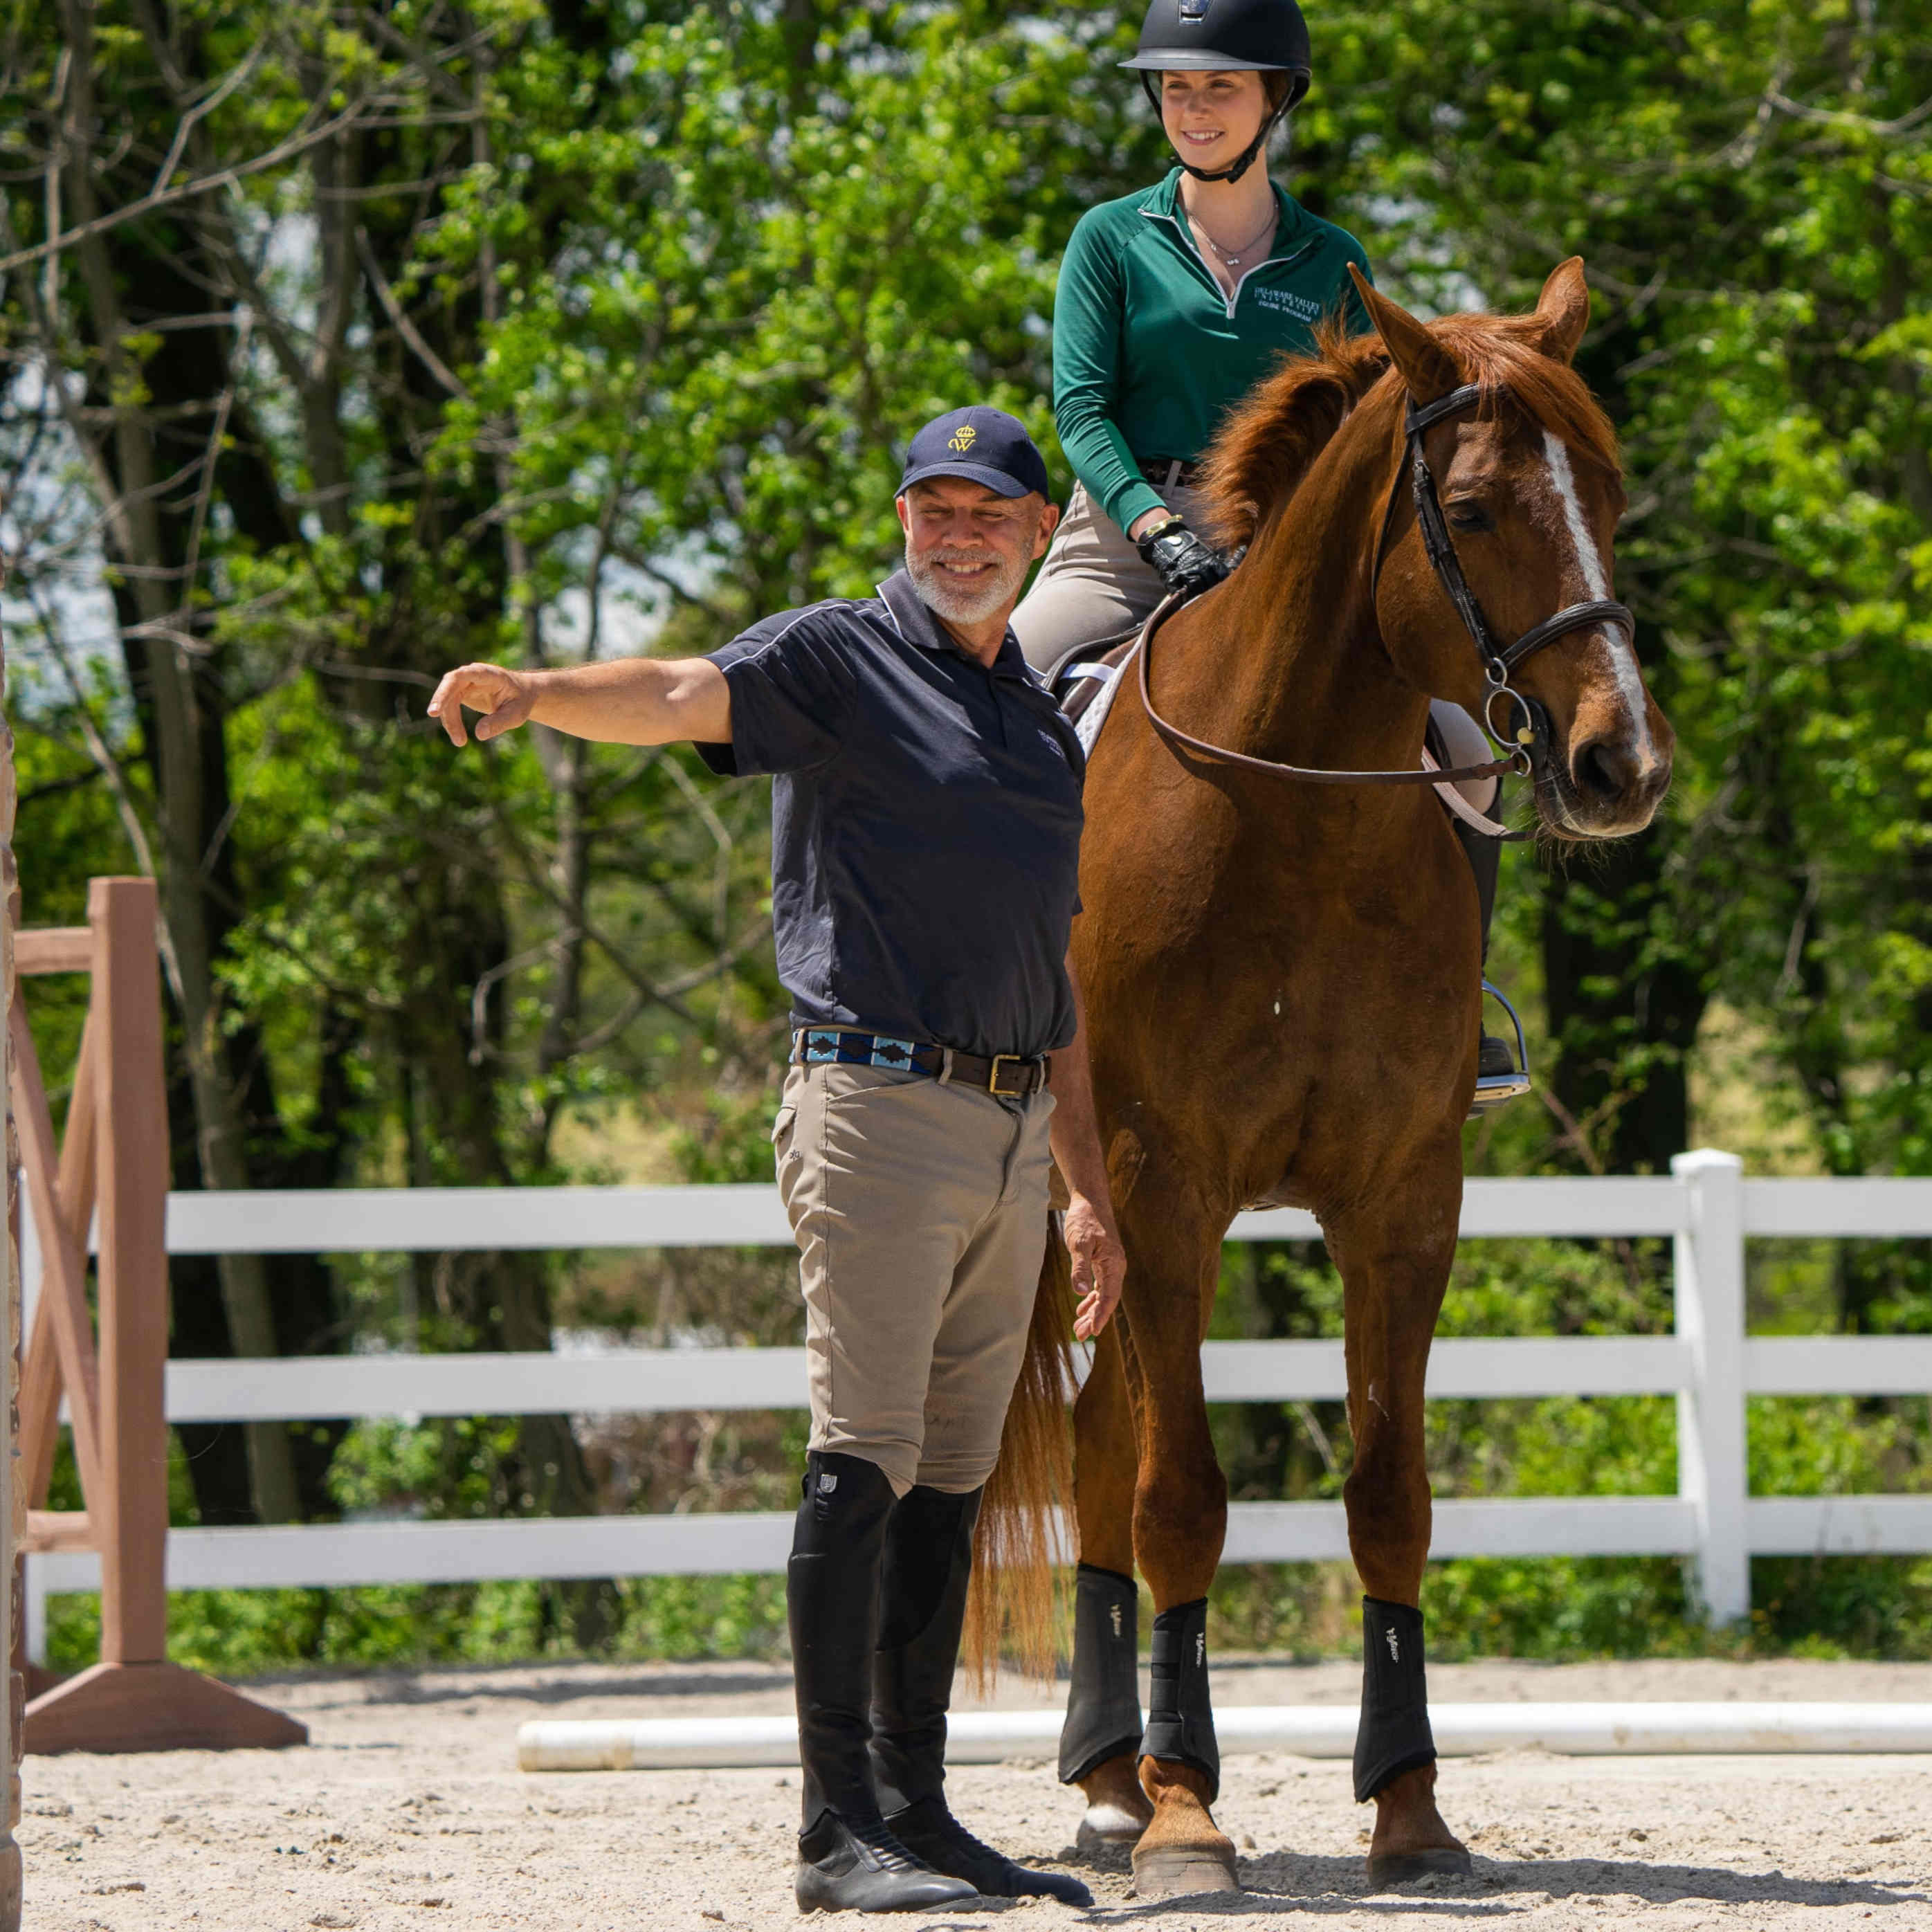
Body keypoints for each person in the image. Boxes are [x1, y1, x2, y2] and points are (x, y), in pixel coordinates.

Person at [428, 405, 1124, 1915]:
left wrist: (1086, 1192)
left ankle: (916, 1807)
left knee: (952, 1474)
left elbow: (1054, 974)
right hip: (876, 1109)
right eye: (932, 510)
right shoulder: (835, 659)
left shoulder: (1037, 721)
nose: (957, 535)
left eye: (986, 513)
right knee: (860, 1456)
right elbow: (680, 687)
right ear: (901, 523)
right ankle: (830, 1833)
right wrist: (539, 690)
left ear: (1031, 533)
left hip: (1010, 1131)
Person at [1012, 0, 1529, 1106]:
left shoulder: (1331, 258)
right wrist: (1156, 529)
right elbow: (1081, 405)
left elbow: (1356, 422)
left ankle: (1460, 1003)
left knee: (1462, 747)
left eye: (1221, 87)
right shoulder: (1110, 237)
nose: (1193, 107)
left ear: (1273, 100)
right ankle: (978, 991)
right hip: (1124, 528)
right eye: (1178, 88)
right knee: (994, 699)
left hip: (1287, 546)